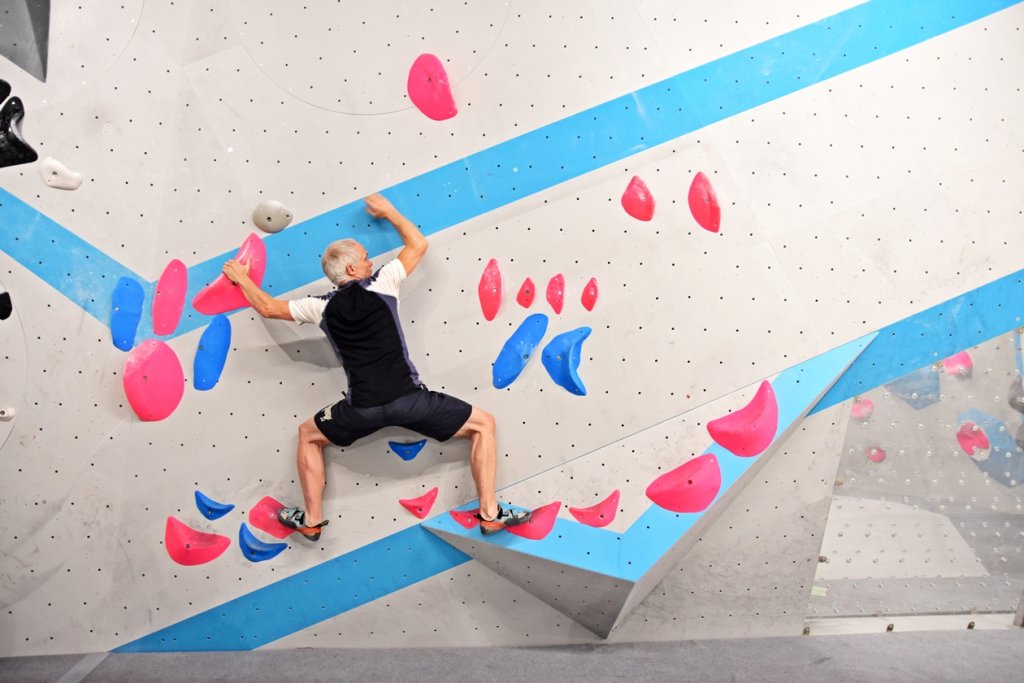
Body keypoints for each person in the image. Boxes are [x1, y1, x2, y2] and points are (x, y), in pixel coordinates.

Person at [221, 193, 530, 540]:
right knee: (483, 425)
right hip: (411, 402)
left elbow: (268, 308)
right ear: (353, 269)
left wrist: (242, 278)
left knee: (308, 436)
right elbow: (417, 244)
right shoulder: (382, 284)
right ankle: (489, 513)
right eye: (366, 260)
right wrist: (390, 212)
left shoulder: (319, 307)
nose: (370, 264)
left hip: (362, 410)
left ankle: (310, 521)